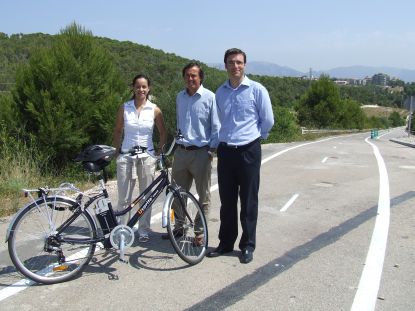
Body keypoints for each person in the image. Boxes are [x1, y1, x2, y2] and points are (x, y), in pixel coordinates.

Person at [207, 48, 274, 263]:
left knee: (248, 200)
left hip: (248, 151)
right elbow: (218, 122)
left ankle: (247, 245)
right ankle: (226, 243)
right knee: (227, 201)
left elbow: (268, 120)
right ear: (225, 65)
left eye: (239, 62)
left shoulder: (257, 90)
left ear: (244, 65)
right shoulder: (220, 92)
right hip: (226, 152)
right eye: (231, 62)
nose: (235, 66)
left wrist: (255, 138)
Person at [163, 62, 220, 245]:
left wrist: (211, 150)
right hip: (181, 152)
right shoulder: (180, 97)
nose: (190, 78)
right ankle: (178, 228)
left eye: (194, 75)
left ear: (200, 77)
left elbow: (216, 127)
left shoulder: (210, 97)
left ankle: (199, 233)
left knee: (203, 196)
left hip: (201, 153)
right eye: (187, 75)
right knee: (177, 194)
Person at [113, 74, 167, 243]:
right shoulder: (125, 107)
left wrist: (159, 151)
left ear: (148, 88)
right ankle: (123, 230)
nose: (141, 90)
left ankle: (143, 229)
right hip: (126, 155)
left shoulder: (154, 109)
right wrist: (116, 151)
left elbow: (163, 132)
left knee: (146, 195)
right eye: (138, 86)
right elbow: (117, 130)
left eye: (144, 87)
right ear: (133, 88)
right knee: (124, 197)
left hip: (147, 156)